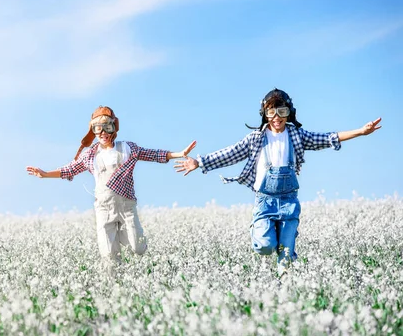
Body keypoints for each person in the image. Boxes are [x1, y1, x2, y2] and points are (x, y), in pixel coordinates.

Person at [174, 88, 382, 277]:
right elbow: (229, 153)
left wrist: (360, 132)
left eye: (281, 112)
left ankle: (288, 290)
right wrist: (199, 162)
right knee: (264, 246)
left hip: (289, 201)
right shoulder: (255, 138)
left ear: (289, 113)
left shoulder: (297, 135)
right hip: (265, 201)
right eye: (271, 113)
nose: (276, 118)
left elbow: (328, 138)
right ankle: (262, 229)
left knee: (286, 260)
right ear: (264, 114)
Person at [27, 106, 196, 274]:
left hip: (126, 206)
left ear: (114, 128)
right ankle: (117, 286)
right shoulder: (90, 155)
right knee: (108, 256)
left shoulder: (128, 148)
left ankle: (125, 237)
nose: (103, 133)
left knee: (138, 248)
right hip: (104, 208)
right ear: (93, 131)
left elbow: (153, 154)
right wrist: (46, 174)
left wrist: (180, 154)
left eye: (107, 127)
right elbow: (69, 170)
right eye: (98, 129)